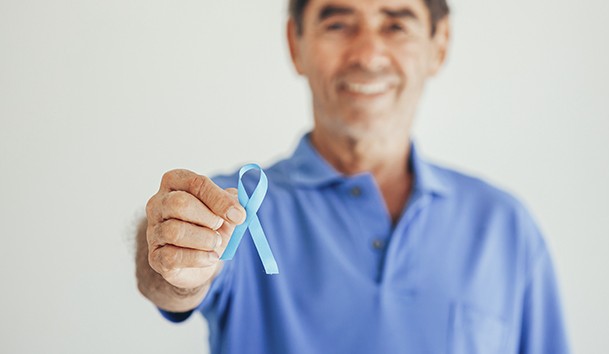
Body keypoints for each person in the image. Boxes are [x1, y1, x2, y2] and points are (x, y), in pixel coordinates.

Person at [135, 0, 571, 352]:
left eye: (396, 25)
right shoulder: (235, 205)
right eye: (338, 24)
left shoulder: (505, 228)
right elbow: (171, 278)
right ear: (295, 43)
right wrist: (170, 254)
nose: (367, 54)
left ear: (439, 44)